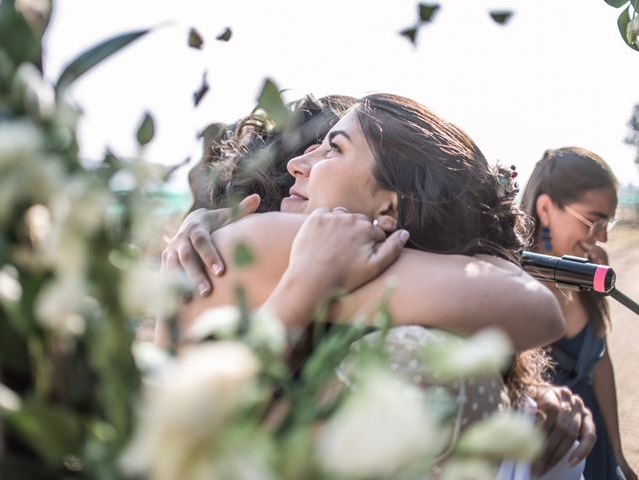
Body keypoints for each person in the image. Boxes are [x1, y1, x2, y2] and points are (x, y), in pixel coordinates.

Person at [163, 93, 595, 475]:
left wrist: (533, 397)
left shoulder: (354, 295)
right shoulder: (266, 243)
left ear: (389, 207)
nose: (301, 167)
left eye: (332, 148)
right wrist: (306, 286)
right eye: (310, 150)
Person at [521, 147, 636, 480]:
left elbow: (600, 365)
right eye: (594, 220)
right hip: (548, 461)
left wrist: (617, 455)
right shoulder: (510, 284)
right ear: (545, 208)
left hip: (597, 449)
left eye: (608, 222)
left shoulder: (594, 270)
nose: (602, 237)